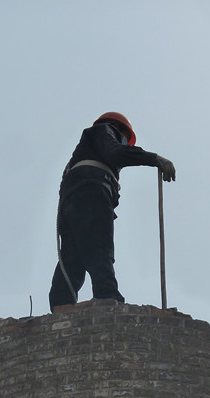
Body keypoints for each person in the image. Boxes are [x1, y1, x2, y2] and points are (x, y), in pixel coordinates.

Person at [49, 111, 176, 311]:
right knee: (99, 245)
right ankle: (107, 297)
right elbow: (116, 152)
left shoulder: (85, 152)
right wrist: (155, 158)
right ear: (120, 129)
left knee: (72, 257)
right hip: (91, 193)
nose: (126, 143)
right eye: (126, 139)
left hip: (73, 200)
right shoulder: (105, 130)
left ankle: (61, 306)